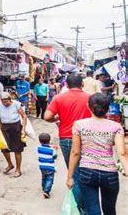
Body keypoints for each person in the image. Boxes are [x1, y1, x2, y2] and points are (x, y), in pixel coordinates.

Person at [67, 93, 128, 215]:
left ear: (88, 107)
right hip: (109, 174)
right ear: (107, 108)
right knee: (110, 210)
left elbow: (75, 152)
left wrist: (70, 177)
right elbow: (122, 152)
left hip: (87, 171)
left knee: (92, 209)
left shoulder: (79, 125)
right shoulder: (116, 127)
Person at [44, 73, 91, 212]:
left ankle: (81, 208)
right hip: (86, 138)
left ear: (66, 85)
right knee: (86, 172)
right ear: (82, 84)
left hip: (66, 138)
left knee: (75, 174)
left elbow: (47, 116)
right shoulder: (90, 98)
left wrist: (58, 119)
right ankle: (86, 205)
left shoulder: (59, 98)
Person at [0, 92, 27, 178]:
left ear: (10, 100)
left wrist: (23, 129)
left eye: (6, 101)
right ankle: (10, 165)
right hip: (4, 128)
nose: (4, 103)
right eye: (3, 101)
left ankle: (18, 169)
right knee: (4, 148)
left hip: (16, 127)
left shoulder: (16, 105)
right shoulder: (0, 105)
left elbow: (24, 116)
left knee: (17, 149)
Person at [38, 133, 57, 198]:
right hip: (50, 167)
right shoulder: (52, 150)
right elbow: (54, 157)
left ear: (39, 141)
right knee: (50, 179)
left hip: (42, 166)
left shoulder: (39, 148)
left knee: (44, 177)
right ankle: (46, 191)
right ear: (49, 140)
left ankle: (44, 188)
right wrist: (55, 150)